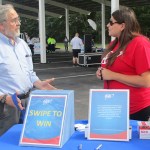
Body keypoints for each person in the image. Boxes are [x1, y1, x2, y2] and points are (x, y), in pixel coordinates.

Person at [0, 4, 57, 136]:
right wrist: (4, 98)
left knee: (29, 137)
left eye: (18, 19)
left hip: (29, 101)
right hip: (7, 106)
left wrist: (39, 83)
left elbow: (30, 73)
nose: (18, 23)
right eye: (14, 20)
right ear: (1, 25)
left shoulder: (22, 44)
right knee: (7, 141)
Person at [96, 7, 150, 121]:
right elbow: (113, 69)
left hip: (135, 110)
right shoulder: (114, 44)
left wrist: (112, 75)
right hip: (114, 107)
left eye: (111, 22)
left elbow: (146, 81)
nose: (107, 25)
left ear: (122, 25)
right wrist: (101, 72)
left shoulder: (140, 43)